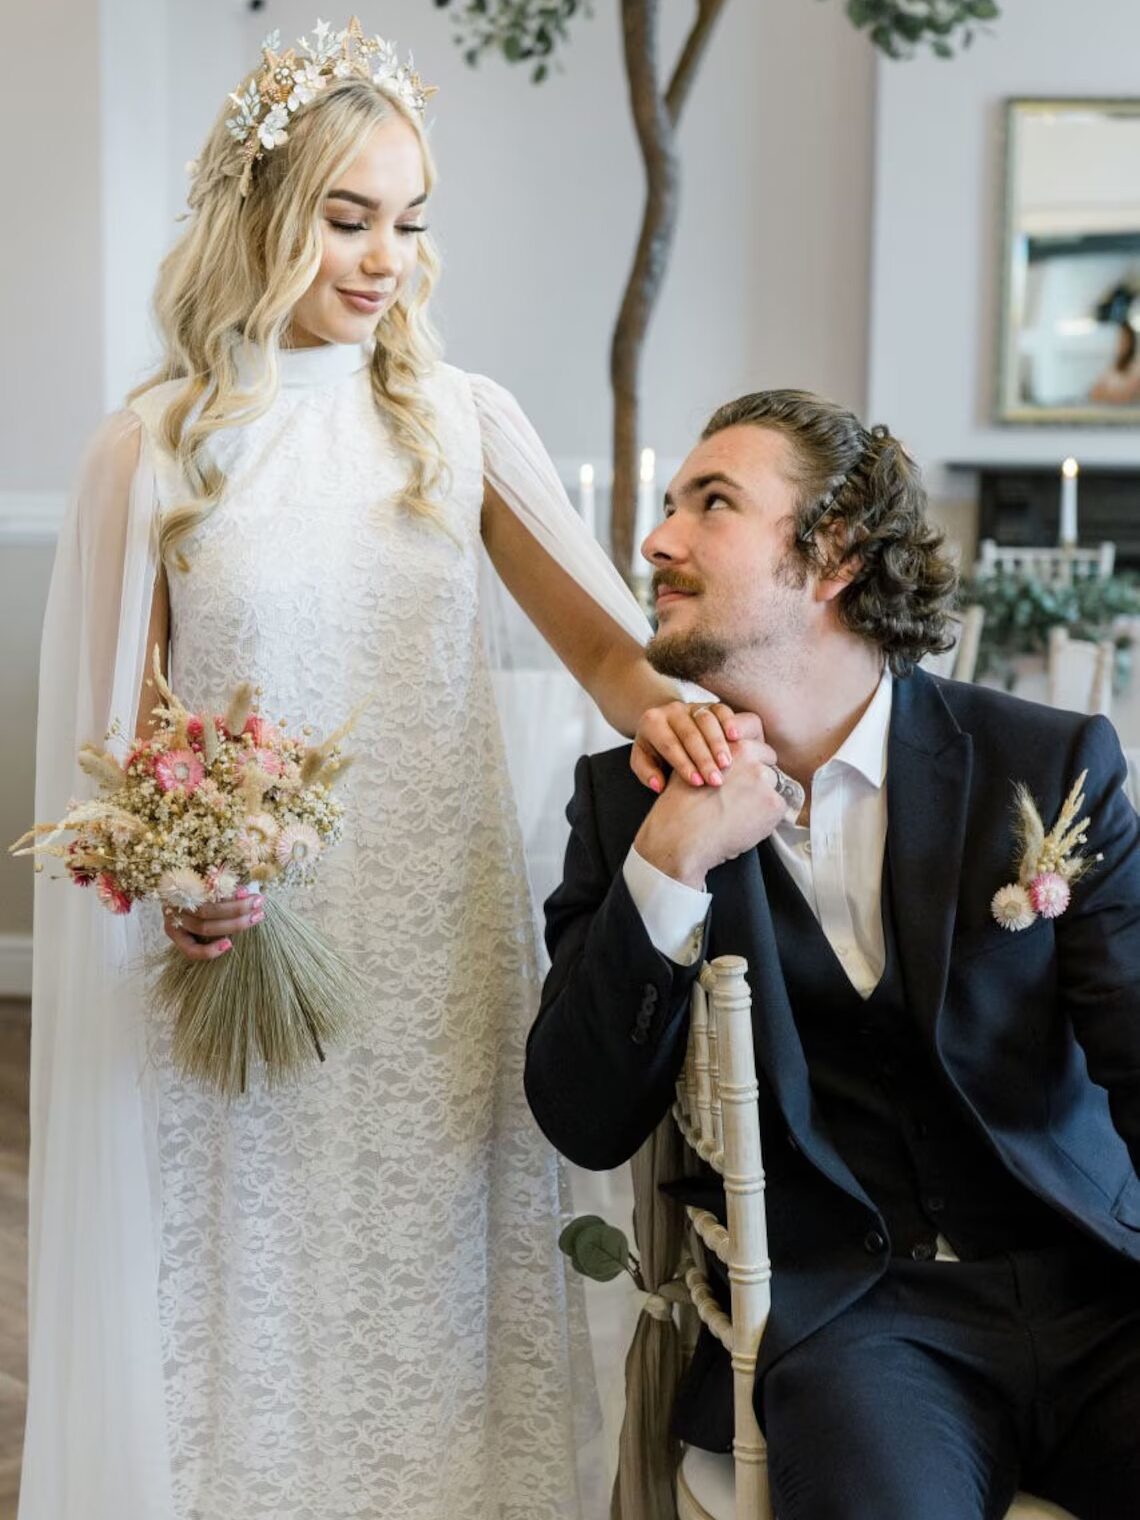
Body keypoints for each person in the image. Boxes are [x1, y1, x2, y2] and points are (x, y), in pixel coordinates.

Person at [22, 20, 733, 1520]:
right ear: (260, 214)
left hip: (438, 943)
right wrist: (179, 888)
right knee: (254, 1290)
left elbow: (608, 649)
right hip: (254, 955)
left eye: (408, 222)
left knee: (434, 1280)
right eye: (347, 220)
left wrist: (664, 713)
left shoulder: (459, 424)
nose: (383, 259)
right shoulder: (154, 451)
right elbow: (121, 753)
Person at [526, 388, 1140, 1520]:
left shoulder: (1043, 761)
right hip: (858, 1327)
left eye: (711, 503)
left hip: (1096, 1291)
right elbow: (579, 1109)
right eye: (666, 506)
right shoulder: (628, 805)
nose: (656, 539)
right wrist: (669, 863)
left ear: (836, 557)